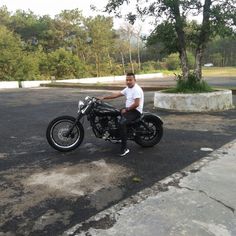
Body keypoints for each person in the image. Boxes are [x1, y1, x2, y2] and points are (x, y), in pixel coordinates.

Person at [99, 72, 144, 157]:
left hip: (135, 111)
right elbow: (117, 95)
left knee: (121, 123)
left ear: (135, 80)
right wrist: (104, 97)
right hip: (129, 109)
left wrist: (126, 109)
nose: (128, 81)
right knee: (113, 113)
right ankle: (118, 136)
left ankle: (124, 149)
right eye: (127, 80)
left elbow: (137, 104)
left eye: (130, 80)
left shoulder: (136, 89)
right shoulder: (128, 88)